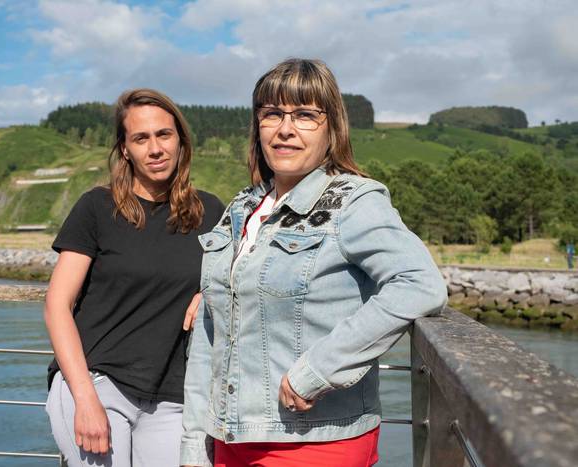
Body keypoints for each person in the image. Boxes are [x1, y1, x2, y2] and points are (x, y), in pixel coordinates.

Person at [180, 59, 448, 467]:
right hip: (231, 438)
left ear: (332, 128)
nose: (285, 129)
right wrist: (195, 444)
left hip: (317, 442)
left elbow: (419, 284)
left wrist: (319, 370)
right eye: (272, 113)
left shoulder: (352, 202)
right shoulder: (242, 207)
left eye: (305, 115)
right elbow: (209, 334)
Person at [44, 88, 224, 467]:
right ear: (125, 149)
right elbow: (57, 305)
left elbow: (242, 277)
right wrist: (85, 399)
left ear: (180, 140)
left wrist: (210, 292)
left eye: (164, 135)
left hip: (172, 396)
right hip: (97, 383)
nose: (155, 149)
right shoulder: (97, 207)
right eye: (141, 138)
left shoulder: (210, 212)